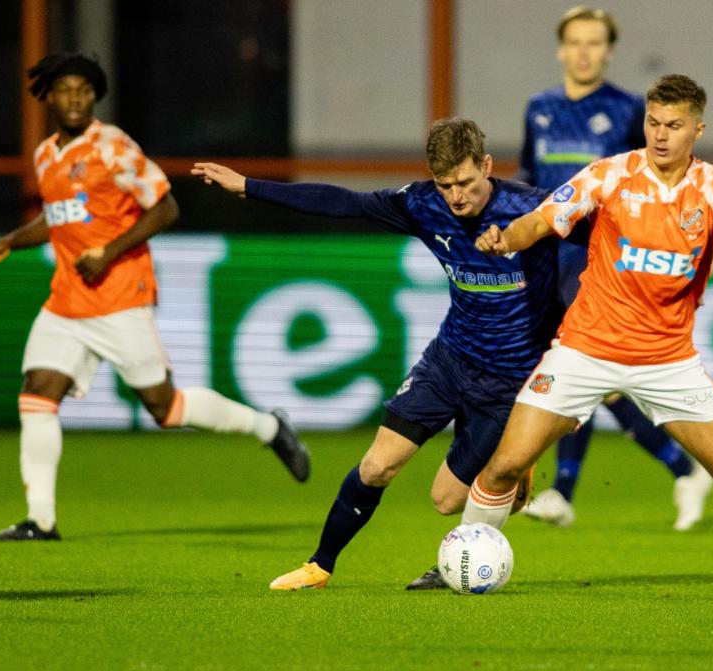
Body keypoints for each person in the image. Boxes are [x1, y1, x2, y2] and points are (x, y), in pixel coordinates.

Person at [469, 74, 713, 588]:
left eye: (674, 125)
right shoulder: (609, 175)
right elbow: (543, 219)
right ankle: (454, 563)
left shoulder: (710, 186)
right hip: (584, 350)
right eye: (653, 123)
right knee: (505, 465)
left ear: (697, 130)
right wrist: (505, 239)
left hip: (668, 361)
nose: (660, 135)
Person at [193, 117, 556, 591]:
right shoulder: (424, 204)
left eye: (466, 182)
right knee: (376, 465)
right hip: (449, 360)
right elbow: (345, 203)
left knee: (445, 499)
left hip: (509, 380)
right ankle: (319, 566)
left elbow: (599, 246)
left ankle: (504, 483)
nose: (457, 196)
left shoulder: (534, 210)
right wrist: (251, 188)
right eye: (446, 184)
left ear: (486, 166)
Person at [0, 53, 310, 543]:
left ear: (95, 96)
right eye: (65, 89)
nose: (75, 98)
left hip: (120, 295)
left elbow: (166, 205)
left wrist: (108, 252)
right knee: (37, 392)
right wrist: (10, 240)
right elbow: (58, 217)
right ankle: (40, 520)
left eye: (84, 90)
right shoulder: (46, 154)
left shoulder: (112, 147)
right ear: (48, 95)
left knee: (166, 409)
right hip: (68, 299)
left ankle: (268, 427)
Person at [517, 5, 713, 531]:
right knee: (581, 380)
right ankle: (680, 469)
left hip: (601, 264)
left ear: (608, 51)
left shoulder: (630, 111)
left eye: (594, 42)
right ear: (562, 49)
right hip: (546, 261)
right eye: (575, 42)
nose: (583, 51)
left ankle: (563, 490)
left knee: (585, 376)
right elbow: (529, 179)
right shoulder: (539, 108)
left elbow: (663, 181)